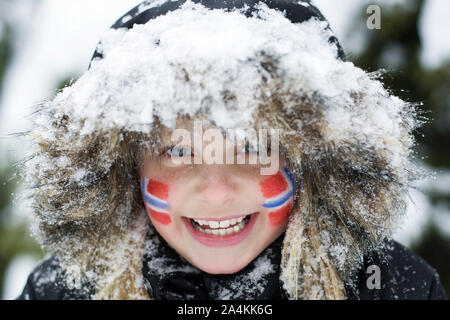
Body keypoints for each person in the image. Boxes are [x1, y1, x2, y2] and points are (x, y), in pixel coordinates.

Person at [17, 0, 446, 300]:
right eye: (179, 152)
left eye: (253, 147)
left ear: (317, 159)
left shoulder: (391, 287)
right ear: (122, 166)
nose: (218, 192)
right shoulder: (62, 292)